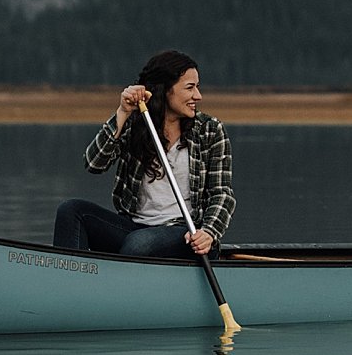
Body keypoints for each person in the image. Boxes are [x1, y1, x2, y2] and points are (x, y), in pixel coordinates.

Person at [53, 50, 235, 259]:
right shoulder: (136, 123)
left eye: (197, 87)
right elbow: (94, 163)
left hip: (185, 232)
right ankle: (72, 279)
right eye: (190, 88)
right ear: (165, 90)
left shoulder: (210, 130)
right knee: (71, 211)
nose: (198, 96)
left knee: (139, 244)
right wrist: (122, 112)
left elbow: (222, 194)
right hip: (134, 227)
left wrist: (208, 233)